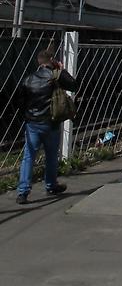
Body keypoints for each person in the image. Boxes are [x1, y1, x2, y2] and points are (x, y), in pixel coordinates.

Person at [15, 48, 79, 204]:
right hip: (51, 123)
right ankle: (51, 185)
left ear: (39, 62)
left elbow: (20, 102)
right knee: (51, 156)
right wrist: (62, 70)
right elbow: (74, 85)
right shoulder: (56, 76)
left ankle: (23, 192)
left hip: (32, 124)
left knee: (29, 157)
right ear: (52, 60)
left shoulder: (29, 79)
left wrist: (28, 117)